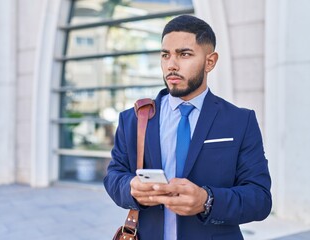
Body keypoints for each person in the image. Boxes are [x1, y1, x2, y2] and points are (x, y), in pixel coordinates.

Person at [104, 14, 272, 240]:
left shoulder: (240, 121)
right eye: (166, 55)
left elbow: (260, 199)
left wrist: (207, 200)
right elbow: (114, 176)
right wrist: (130, 188)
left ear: (210, 62)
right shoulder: (133, 119)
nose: (171, 65)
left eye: (184, 54)